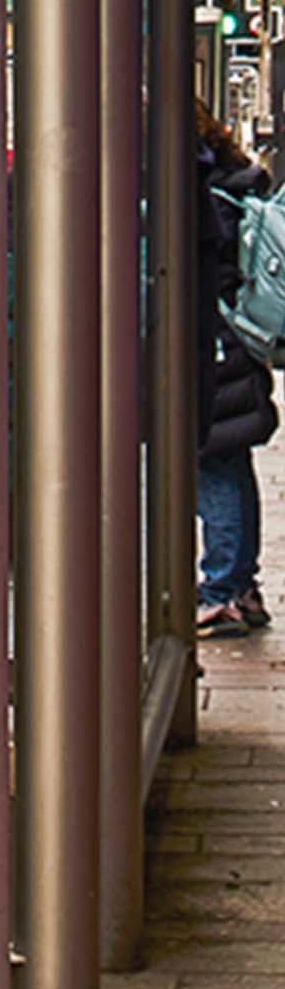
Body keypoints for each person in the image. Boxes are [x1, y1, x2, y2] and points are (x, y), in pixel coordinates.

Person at [201, 109, 274, 636]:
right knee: (230, 462)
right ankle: (240, 584)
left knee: (213, 465)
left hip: (215, 346)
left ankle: (222, 587)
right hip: (240, 345)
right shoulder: (232, 180)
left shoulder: (201, 193)